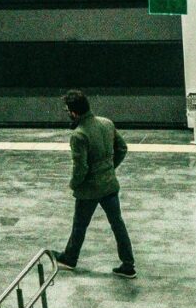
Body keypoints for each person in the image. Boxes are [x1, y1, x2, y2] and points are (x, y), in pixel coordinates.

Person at [54, 90, 136, 279]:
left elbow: (80, 168)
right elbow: (122, 148)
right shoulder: (107, 123)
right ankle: (128, 264)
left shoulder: (79, 135)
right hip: (109, 185)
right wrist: (109, 168)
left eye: (67, 110)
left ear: (74, 113)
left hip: (89, 190)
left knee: (80, 225)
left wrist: (74, 184)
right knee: (118, 224)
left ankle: (70, 257)